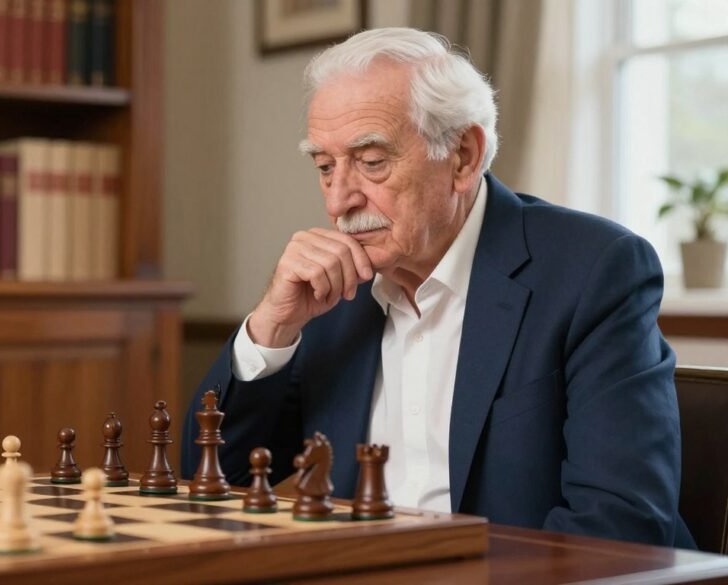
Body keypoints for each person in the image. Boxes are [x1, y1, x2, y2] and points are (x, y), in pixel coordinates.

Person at [180, 27, 694, 548]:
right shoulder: (331, 293)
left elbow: (619, 525)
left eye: (371, 162)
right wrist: (273, 324)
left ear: (463, 157)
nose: (339, 202)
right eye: (325, 167)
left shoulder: (593, 271)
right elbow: (211, 477)